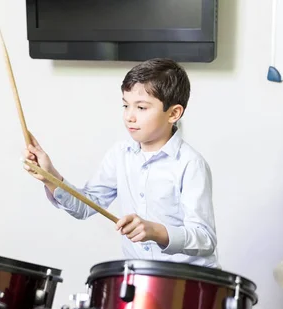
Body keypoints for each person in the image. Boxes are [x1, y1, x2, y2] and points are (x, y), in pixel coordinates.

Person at [23, 58, 218, 267]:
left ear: (173, 113)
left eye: (141, 108)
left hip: (188, 282)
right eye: (126, 105)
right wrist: (50, 177)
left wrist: (156, 231)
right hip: (140, 277)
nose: (129, 116)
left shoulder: (190, 164)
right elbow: (85, 206)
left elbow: (205, 239)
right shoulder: (120, 154)